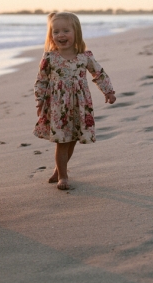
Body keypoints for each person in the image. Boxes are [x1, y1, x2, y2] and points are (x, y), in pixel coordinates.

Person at [33, 12, 116, 190]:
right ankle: (63, 175)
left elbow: (99, 73)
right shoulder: (49, 58)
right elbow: (41, 80)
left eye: (66, 31)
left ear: (76, 32)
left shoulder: (84, 56)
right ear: (51, 35)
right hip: (58, 106)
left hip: (79, 105)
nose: (61, 35)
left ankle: (58, 170)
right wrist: (40, 101)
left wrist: (108, 91)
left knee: (71, 140)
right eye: (56, 32)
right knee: (62, 141)